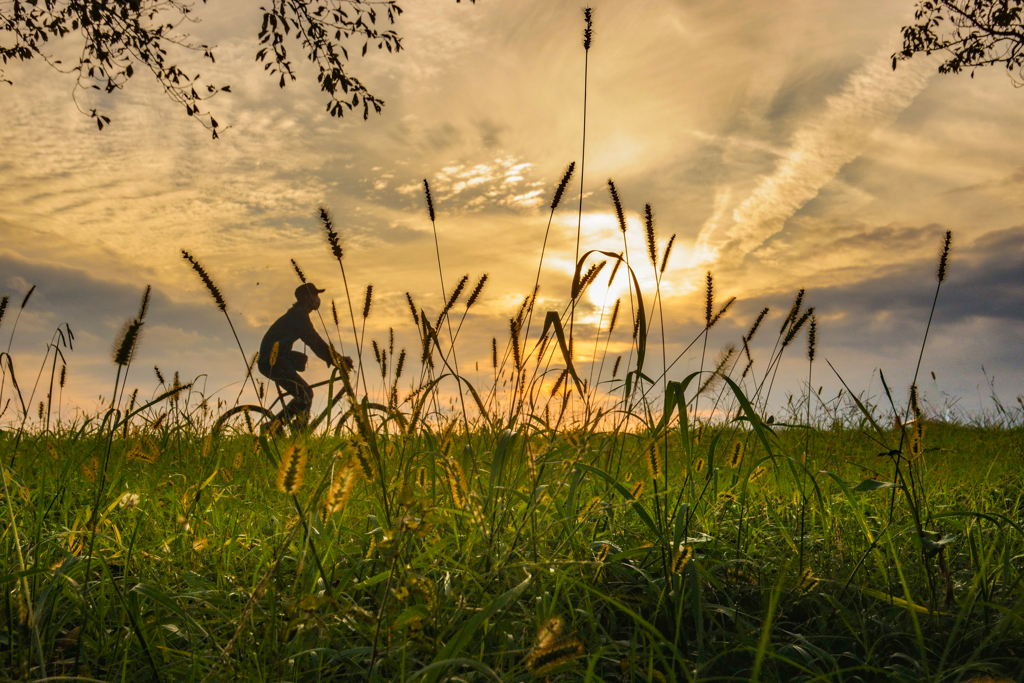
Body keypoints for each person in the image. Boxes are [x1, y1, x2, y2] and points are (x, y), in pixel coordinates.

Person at [258, 282, 350, 427]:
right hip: (273, 361)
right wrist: (338, 359)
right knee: (305, 394)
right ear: (307, 298)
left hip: (275, 359)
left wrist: (335, 358)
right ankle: (274, 427)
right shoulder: (298, 316)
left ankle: (298, 430)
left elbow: (314, 340)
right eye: (315, 295)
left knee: (304, 394)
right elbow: (314, 340)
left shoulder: (298, 314)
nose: (318, 299)